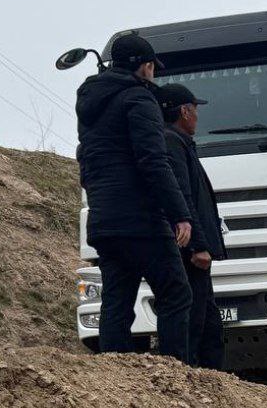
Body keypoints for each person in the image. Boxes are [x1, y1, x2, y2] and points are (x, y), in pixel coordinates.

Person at [75, 34, 193, 361]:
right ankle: (174, 372)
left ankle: (116, 375)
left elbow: (89, 158)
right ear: (145, 66)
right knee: (176, 292)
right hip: (140, 219)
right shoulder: (139, 99)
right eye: (153, 66)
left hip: (104, 219)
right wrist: (179, 213)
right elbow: (153, 161)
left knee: (117, 299)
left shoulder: (91, 104)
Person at [159, 83, 227, 369]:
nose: (198, 116)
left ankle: (213, 378)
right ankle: (188, 373)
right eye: (195, 109)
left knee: (209, 318)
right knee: (194, 315)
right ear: (184, 111)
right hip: (189, 250)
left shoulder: (180, 142)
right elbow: (184, 197)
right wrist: (198, 244)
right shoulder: (172, 142)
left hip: (193, 247)